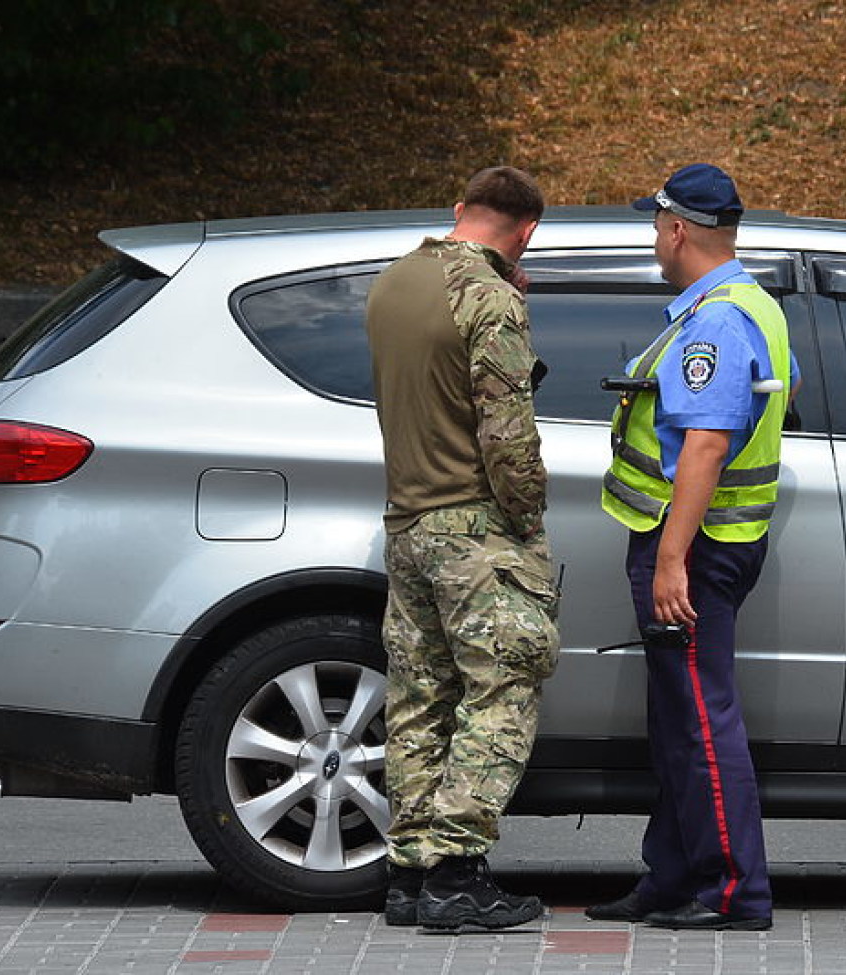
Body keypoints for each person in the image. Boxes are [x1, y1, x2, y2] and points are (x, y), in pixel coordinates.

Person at [589, 164, 797, 931]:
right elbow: (783, 393)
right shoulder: (754, 305)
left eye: (656, 225)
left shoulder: (712, 321)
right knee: (679, 718)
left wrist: (671, 558)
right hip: (721, 542)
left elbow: (706, 444)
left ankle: (735, 891)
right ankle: (673, 877)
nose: (654, 236)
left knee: (703, 721)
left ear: (678, 230)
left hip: (696, 550)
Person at [366, 166, 559, 931]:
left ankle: (410, 871)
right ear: (527, 232)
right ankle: (457, 870)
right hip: (475, 531)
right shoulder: (491, 298)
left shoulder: (390, 285)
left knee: (420, 697)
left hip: (407, 523)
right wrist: (528, 516)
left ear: (458, 211)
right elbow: (506, 433)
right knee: (504, 687)